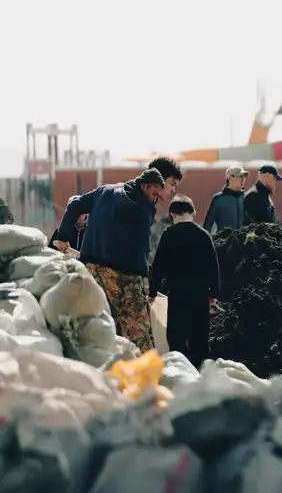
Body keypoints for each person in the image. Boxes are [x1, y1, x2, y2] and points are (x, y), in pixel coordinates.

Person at [53, 168, 165, 351]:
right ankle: (144, 375)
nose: (155, 200)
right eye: (154, 194)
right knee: (138, 334)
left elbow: (74, 204)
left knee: (98, 326)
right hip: (125, 278)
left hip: (91, 270)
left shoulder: (104, 191)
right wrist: (146, 278)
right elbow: (143, 245)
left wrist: (64, 236)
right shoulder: (142, 208)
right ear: (145, 186)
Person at [149, 196, 220, 368]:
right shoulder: (204, 235)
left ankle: (181, 372)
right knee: (200, 339)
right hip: (200, 295)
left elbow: (158, 266)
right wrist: (214, 294)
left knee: (176, 338)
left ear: (172, 215)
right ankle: (201, 374)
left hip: (177, 295)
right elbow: (214, 266)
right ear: (193, 213)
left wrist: (152, 291)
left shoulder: (169, 235)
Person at [148, 157, 184, 263]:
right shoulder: (140, 207)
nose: (174, 190)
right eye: (172, 184)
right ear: (158, 179)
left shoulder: (148, 206)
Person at [203, 166, 248, 233]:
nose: (242, 179)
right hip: (224, 242)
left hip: (244, 242)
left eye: (244, 176)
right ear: (230, 178)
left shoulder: (248, 198)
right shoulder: (218, 199)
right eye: (239, 176)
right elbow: (208, 223)